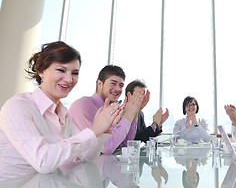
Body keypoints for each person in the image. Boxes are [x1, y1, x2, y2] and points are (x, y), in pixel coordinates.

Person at [0, 41, 122, 180]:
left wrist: (103, 129)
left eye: (75, 73)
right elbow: (44, 162)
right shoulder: (18, 106)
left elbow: (88, 155)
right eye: (61, 70)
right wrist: (94, 129)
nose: (69, 79)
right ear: (41, 71)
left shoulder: (63, 113)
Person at [69, 65, 145, 154]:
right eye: (113, 83)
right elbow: (106, 147)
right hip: (78, 167)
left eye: (121, 85)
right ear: (99, 84)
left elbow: (123, 144)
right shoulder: (83, 105)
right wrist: (128, 115)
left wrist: (134, 113)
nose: (118, 89)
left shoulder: (112, 109)